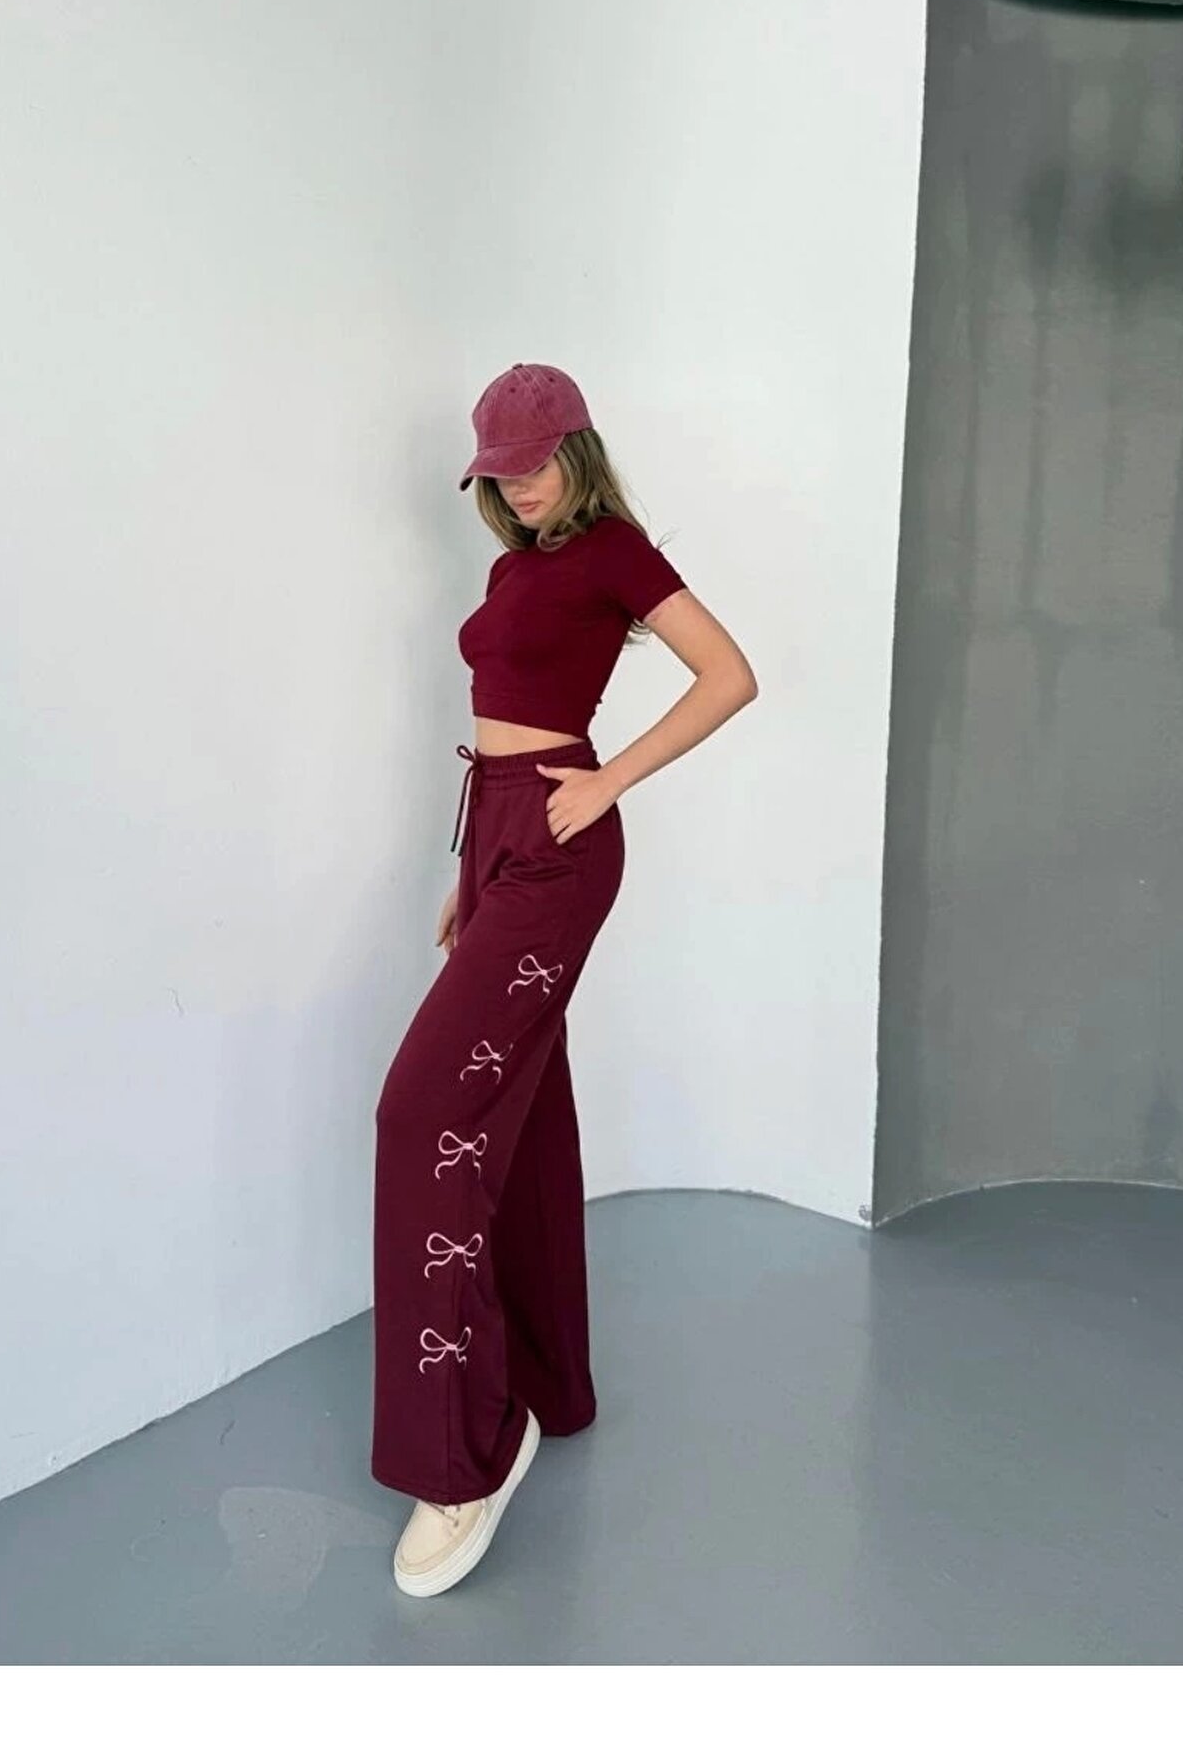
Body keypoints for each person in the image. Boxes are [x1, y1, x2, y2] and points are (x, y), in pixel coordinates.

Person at [372, 362, 758, 1597]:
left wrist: (607, 782)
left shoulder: (615, 552)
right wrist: (469, 878)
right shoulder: (511, 571)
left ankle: (466, 1458)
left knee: (422, 1114)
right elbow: (496, 725)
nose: (520, 488)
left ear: (577, 450)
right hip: (495, 841)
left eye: (534, 463)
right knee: (523, 1104)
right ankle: (551, 1384)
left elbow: (729, 674)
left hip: (557, 842)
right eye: (499, 473)